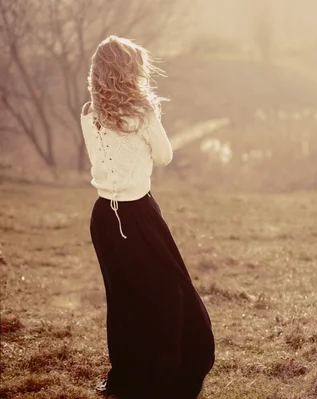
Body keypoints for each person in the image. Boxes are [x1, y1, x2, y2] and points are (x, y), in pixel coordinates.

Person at [80, 35, 215, 399]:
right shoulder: (142, 113)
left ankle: (131, 369)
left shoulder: (88, 113)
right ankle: (169, 369)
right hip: (138, 215)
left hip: (103, 218)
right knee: (170, 290)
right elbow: (165, 156)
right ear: (130, 72)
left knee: (123, 296)